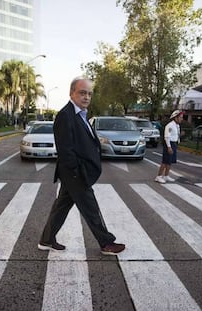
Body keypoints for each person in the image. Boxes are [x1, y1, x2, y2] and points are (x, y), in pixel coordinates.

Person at [38, 77, 125, 255]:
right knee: (91, 209)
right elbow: (65, 149)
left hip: (74, 173)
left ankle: (46, 240)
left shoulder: (80, 114)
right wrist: (78, 172)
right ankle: (106, 243)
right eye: (82, 93)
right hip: (75, 174)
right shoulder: (65, 116)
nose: (86, 97)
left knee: (61, 207)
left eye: (89, 94)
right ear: (72, 93)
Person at [155, 110, 183, 184]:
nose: (181, 119)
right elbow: (167, 137)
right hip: (169, 144)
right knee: (165, 161)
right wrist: (169, 147)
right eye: (180, 117)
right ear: (175, 118)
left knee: (169, 162)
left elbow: (176, 135)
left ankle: (166, 176)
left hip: (174, 144)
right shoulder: (170, 125)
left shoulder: (177, 126)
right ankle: (159, 176)